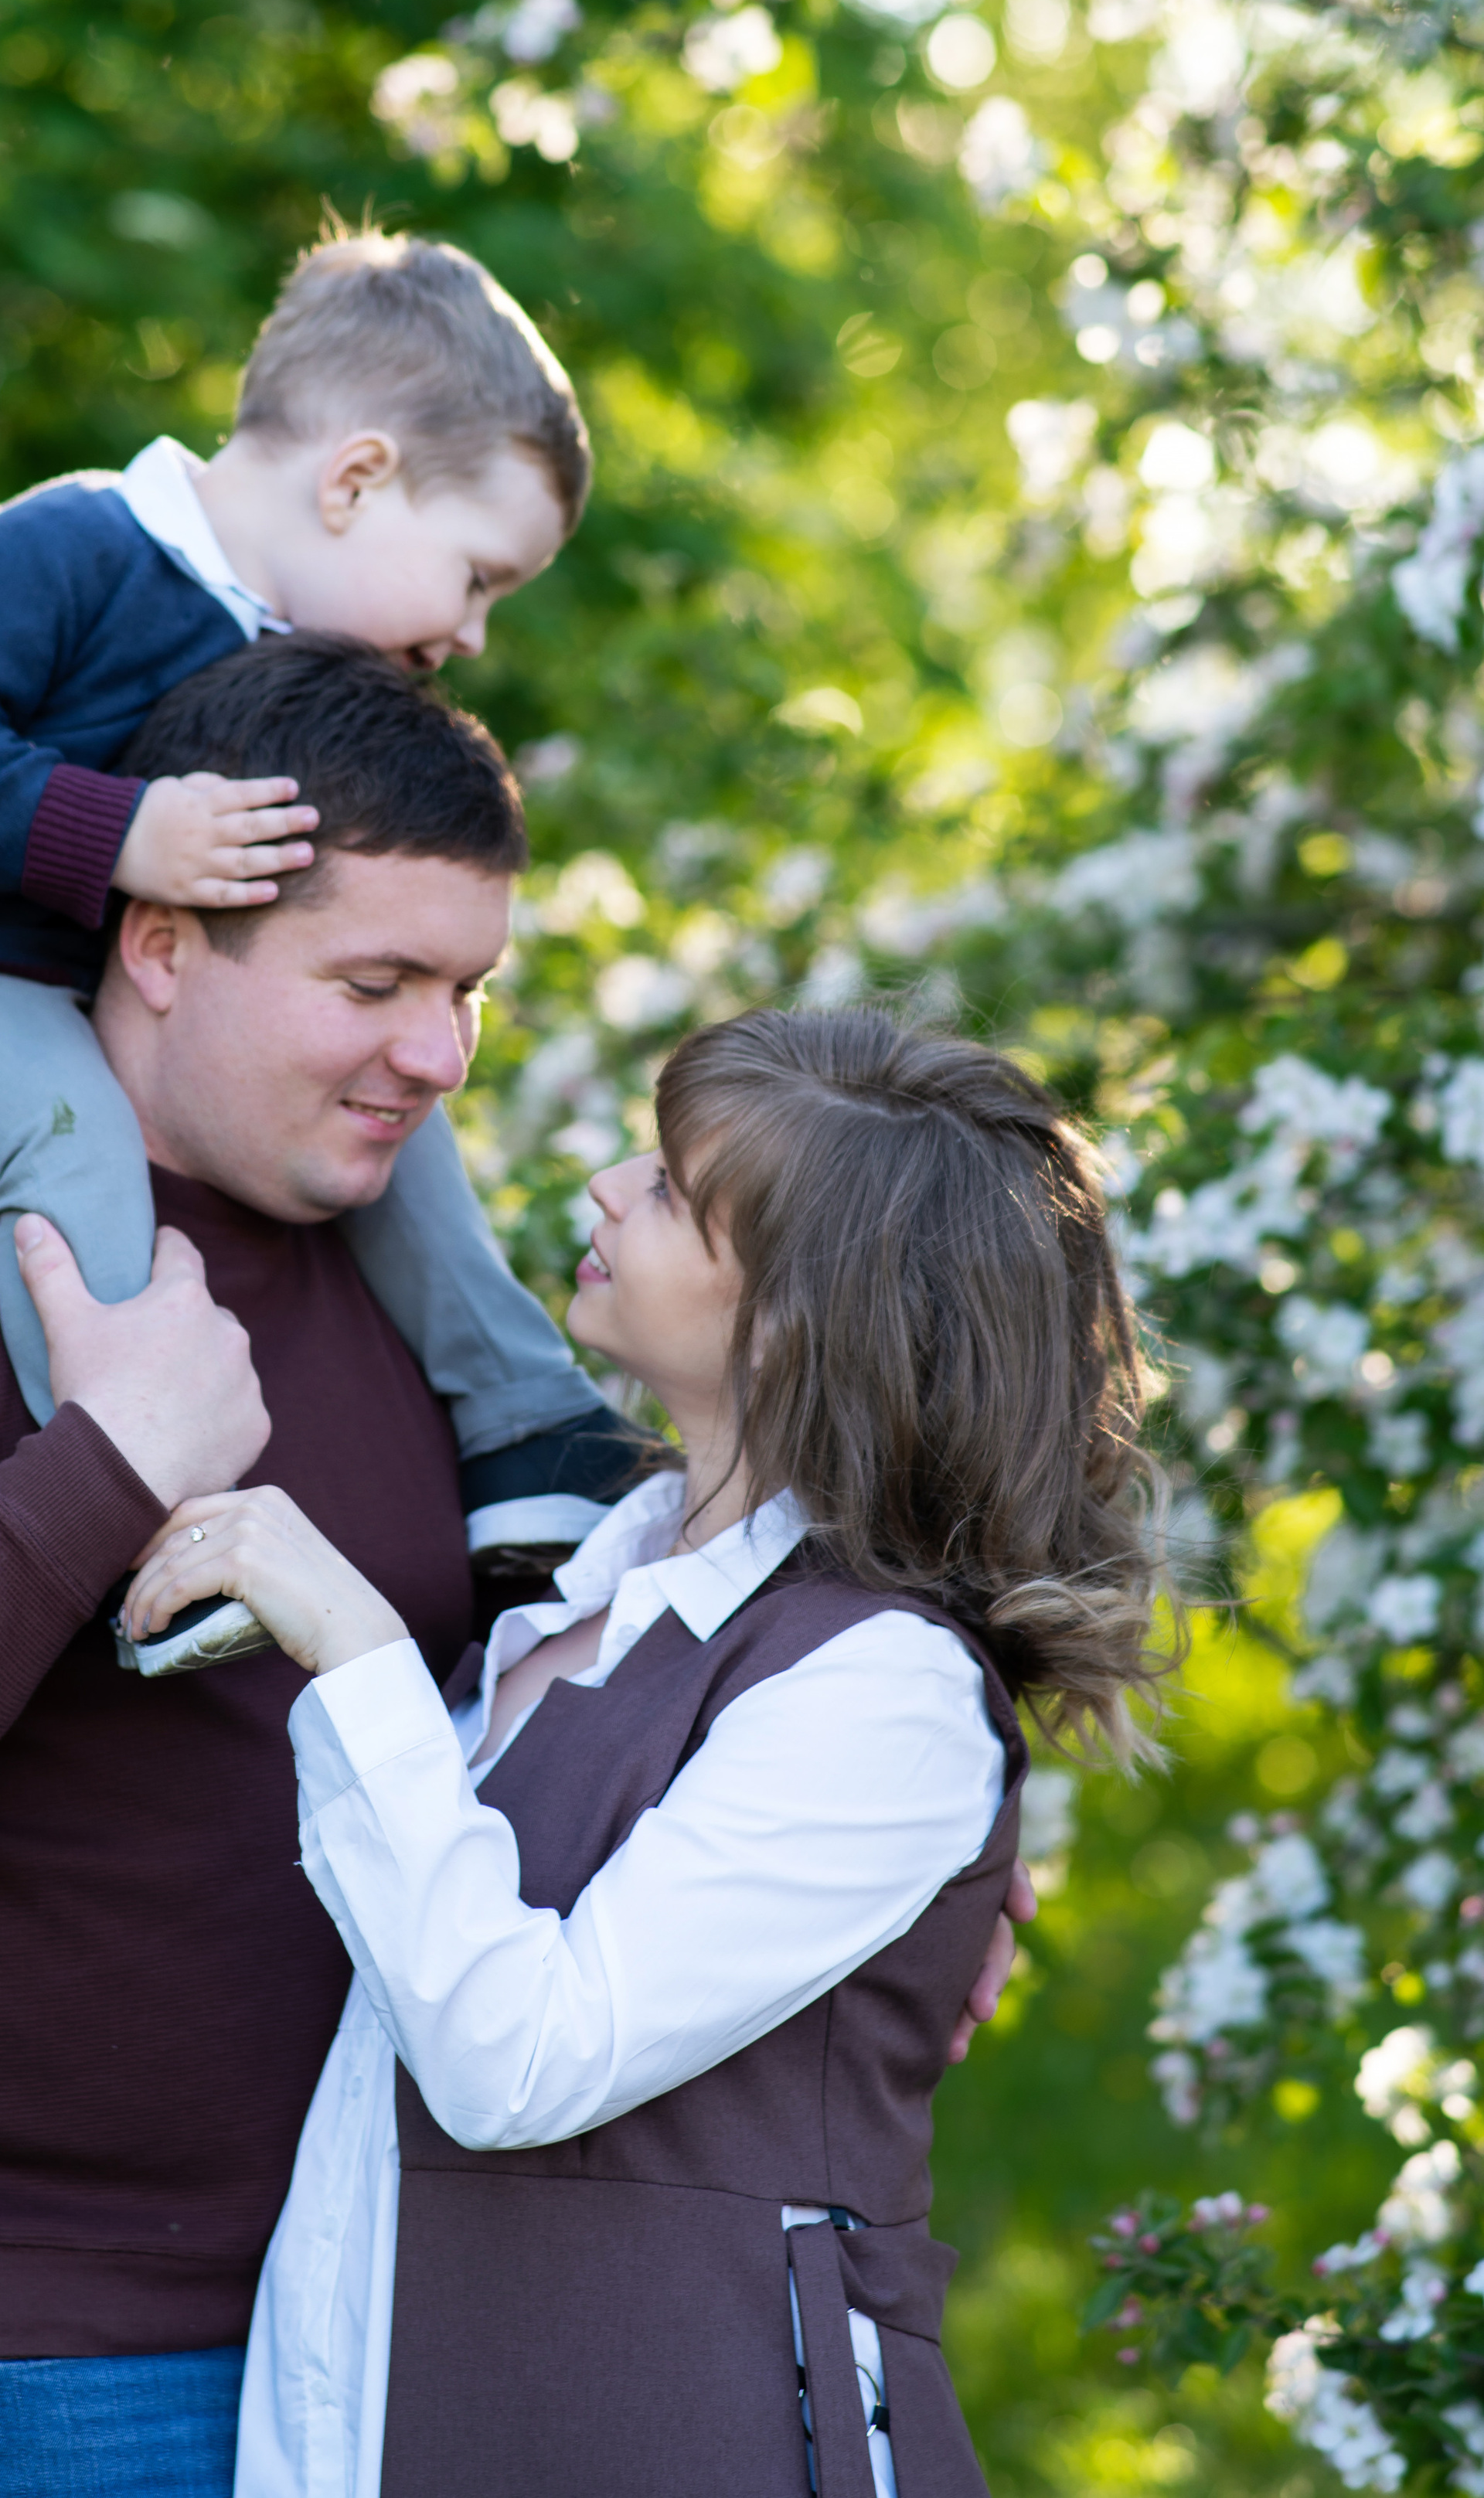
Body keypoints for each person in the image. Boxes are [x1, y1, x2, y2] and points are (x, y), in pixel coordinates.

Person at [0, 645, 1024, 2498]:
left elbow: (713, 1603)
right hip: (18, 2359)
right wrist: (101, 1466)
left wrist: (945, 1853)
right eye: (371, 982)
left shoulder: (400, 1298)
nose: (436, 1056)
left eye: (463, 991)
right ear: (160, 941)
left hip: (380, 2331)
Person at [101, 1006, 1169, 2498]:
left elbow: (514, 2059)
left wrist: (354, 1651)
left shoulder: (886, 1693)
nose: (605, 1185)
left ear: (799, 1313)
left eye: (670, 1188)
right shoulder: (593, 1584)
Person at [0, 229, 617, 1527]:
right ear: (358, 480)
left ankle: (528, 1431)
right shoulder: (69, 548)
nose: (472, 635)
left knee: (398, 1098)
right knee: (72, 1133)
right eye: (477, 577)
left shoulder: (288, 661)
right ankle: (127, 1483)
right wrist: (119, 835)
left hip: (64, 987)